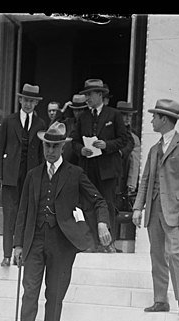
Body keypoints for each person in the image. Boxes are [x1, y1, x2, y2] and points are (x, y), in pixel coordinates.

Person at [12, 121, 112, 321]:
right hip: (34, 241)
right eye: (47, 145)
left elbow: (98, 200)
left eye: (55, 146)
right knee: (29, 293)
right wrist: (17, 245)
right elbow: (22, 211)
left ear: (63, 148)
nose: (50, 151)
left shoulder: (75, 174)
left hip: (63, 242)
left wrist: (102, 223)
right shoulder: (33, 175)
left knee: (55, 293)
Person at [132, 99, 179, 318]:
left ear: (164, 119)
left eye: (154, 117)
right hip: (154, 211)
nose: (151, 120)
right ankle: (160, 300)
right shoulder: (153, 149)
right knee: (157, 256)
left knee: (174, 254)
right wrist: (137, 208)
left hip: (175, 211)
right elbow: (145, 180)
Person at [69, 79, 128, 253]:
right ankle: (92, 242)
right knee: (88, 204)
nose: (87, 98)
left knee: (108, 204)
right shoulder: (83, 117)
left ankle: (108, 243)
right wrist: (82, 150)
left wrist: (107, 145)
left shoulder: (114, 115)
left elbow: (124, 140)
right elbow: (74, 141)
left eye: (90, 94)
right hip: (88, 168)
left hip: (108, 169)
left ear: (100, 95)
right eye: (86, 94)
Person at [0, 83, 47, 267]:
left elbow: (42, 154)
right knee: (10, 214)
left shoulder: (40, 124)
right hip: (10, 175)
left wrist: (42, 178)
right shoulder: (10, 121)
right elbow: (0, 149)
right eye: (26, 100)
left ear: (36, 103)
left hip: (30, 175)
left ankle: (21, 253)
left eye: (32, 101)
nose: (28, 104)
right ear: (20, 100)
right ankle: (7, 255)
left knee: (27, 214)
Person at [116, 101, 141, 200]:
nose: (127, 118)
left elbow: (134, 163)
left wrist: (131, 184)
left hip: (122, 177)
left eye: (130, 116)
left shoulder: (133, 138)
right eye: (124, 115)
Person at [61, 94, 87, 165]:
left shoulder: (89, 124)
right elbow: (53, 127)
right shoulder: (69, 122)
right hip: (68, 161)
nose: (77, 113)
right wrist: (62, 110)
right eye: (75, 110)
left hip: (83, 161)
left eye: (80, 110)